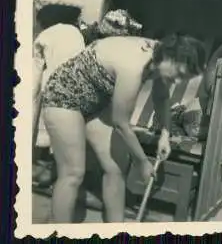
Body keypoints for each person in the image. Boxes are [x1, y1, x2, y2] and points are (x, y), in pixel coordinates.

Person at [41, 33, 206, 223]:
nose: (177, 81)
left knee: (115, 168)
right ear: (171, 57)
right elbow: (121, 124)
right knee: (73, 173)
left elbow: (161, 98)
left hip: (96, 104)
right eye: (179, 75)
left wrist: (165, 135)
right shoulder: (133, 66)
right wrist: (142, 162)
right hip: (64, 97)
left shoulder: (160, 57)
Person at [32, 3, 85, 147]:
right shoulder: (76, 34)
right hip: (74, 91)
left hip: (51, 90)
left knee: (39, 130)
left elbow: (37, 69)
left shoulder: (46, 35)